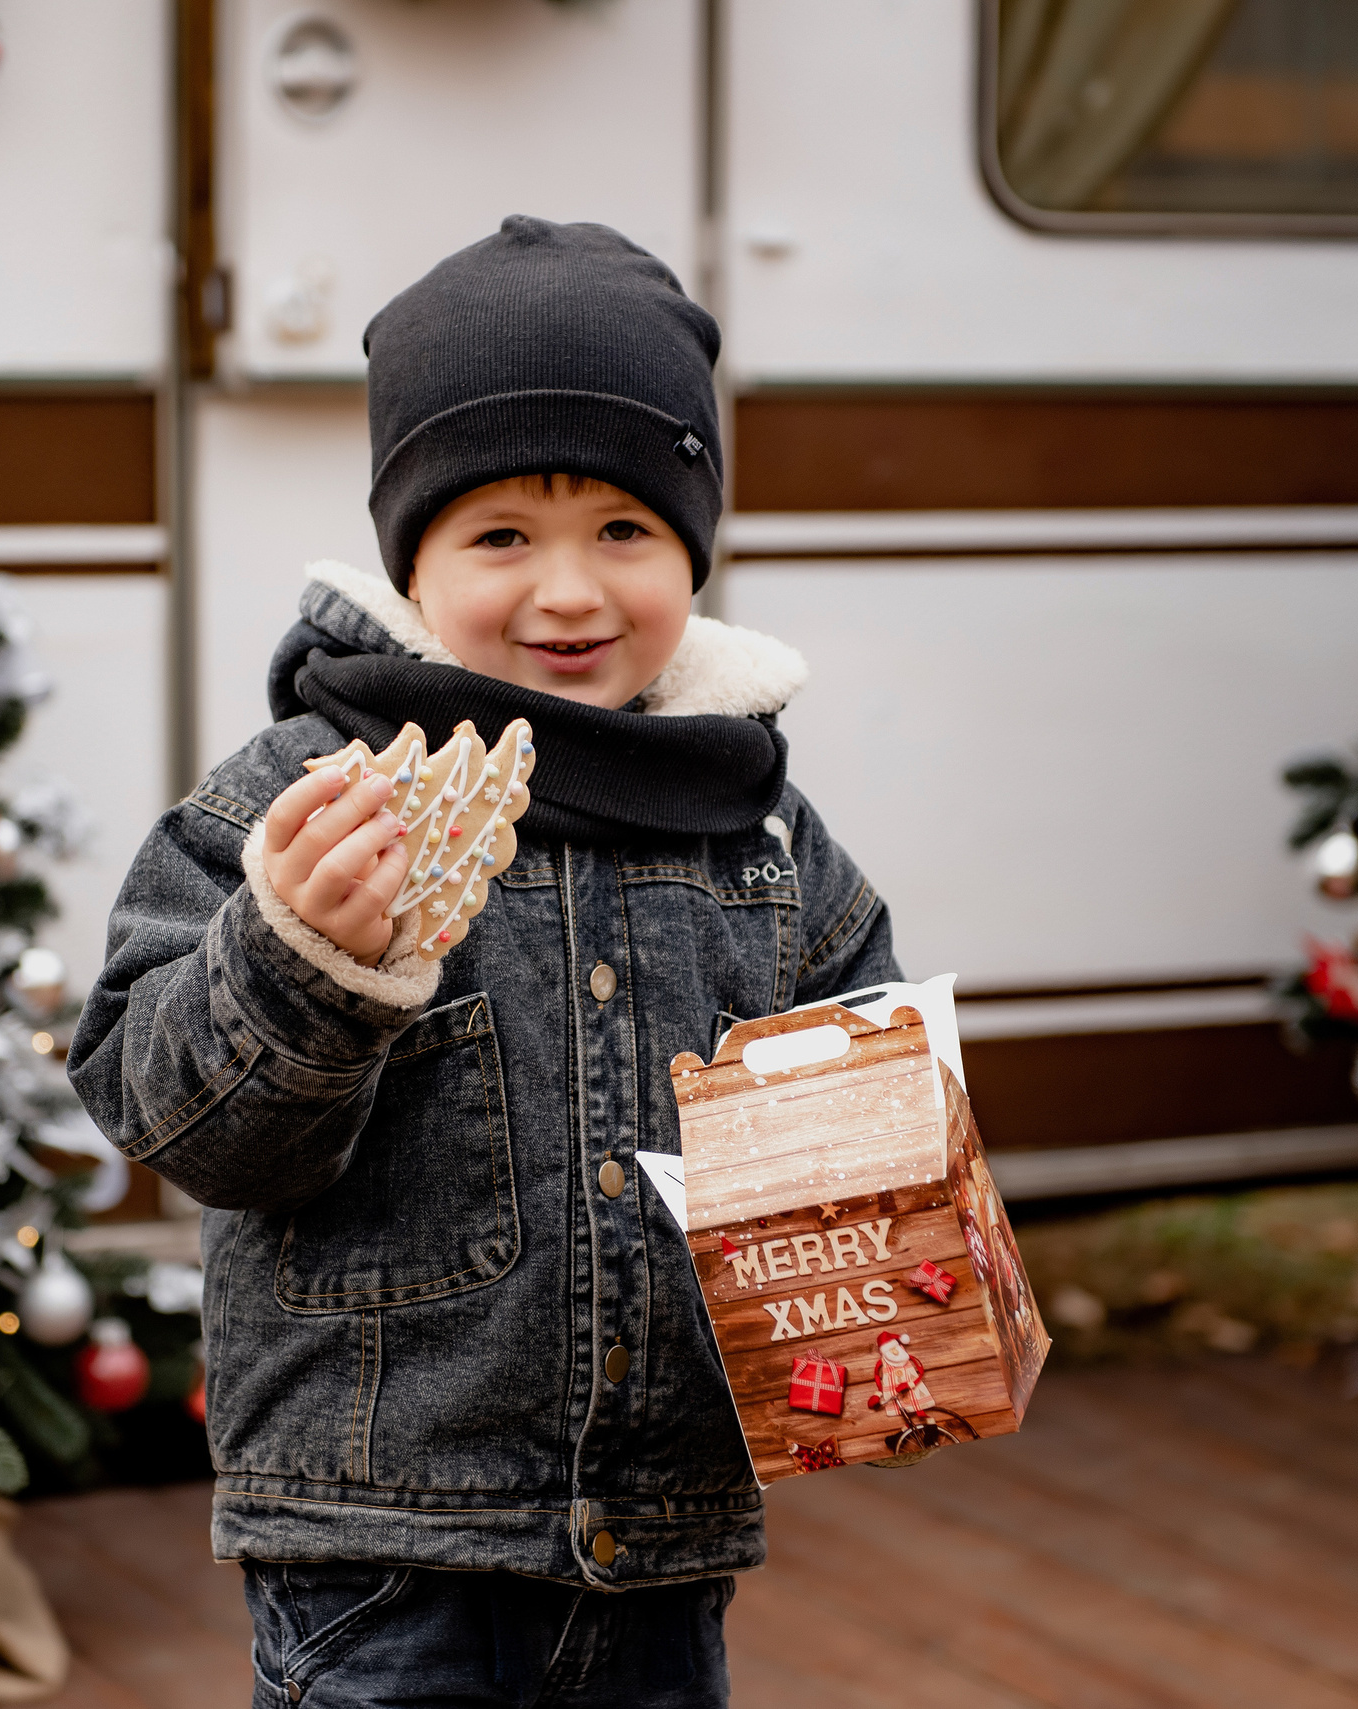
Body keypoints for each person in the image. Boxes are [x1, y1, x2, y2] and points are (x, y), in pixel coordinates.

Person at [69, 215, 901, 1709]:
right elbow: (172, 1115)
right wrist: (300, 958)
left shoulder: (759, 825)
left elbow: (860, 1168)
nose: (570, 593)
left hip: (658, 1537)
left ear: (693, 549)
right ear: (415, 554)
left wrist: (885, 1279)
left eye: (625, 531)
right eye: (503, 535)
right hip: (381, 1554)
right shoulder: (309, 801)